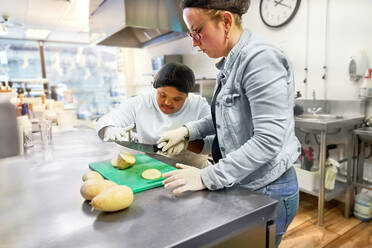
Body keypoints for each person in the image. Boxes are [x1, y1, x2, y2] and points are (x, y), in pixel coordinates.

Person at [157, 1, 301, 246]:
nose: (194, 42)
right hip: (246, 182)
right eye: (190, 34)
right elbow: (223, 117)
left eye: (197, 31)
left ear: (225, 21)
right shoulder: (230, 63)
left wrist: (206, 177)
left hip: (269, 189)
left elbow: (268, 141)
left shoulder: (260, 59)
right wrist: (187, 131)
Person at [96, 62, 212, 168]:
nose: (167, 102)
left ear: (187, 96)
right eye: (162, 95)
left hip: (194, 173)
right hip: (151, 172)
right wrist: (109, 129)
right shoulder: (141, 103)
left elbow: (215, 142)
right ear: (155, 89)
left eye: (177, 99)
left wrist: (186, 144)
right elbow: (111, 117)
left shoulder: (198, 105)